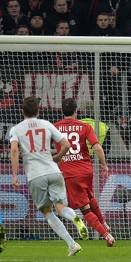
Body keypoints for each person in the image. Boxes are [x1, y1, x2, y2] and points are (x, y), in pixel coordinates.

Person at [9, 96, 87, 256]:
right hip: (53, 171)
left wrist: (15, 175)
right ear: (38, 110)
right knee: (61, 207)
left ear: (22, 111)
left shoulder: (16, 129)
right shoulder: (47, 124)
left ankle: (72, 244)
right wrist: (57, 158)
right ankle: (75, 218)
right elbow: (66, 144)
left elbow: (15, 150)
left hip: (35, 175)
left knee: (47, 211)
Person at [54, 98, 115, 247]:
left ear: (62, 111)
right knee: (90, 197)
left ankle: (107, 236)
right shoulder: (85, 127)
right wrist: (104, 164)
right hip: (86, 170)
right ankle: (104, 223)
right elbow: (98, 148)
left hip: (69, 172)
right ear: (76, 111)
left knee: (84, 208)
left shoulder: (54, 128)